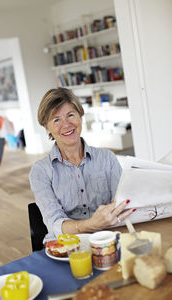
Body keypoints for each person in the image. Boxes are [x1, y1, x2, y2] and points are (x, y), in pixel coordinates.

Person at [29, 87, 135, 242]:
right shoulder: (40, 172)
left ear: (80, 116)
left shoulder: (107, 158)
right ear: (47, 127)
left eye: (70, 115)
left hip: (108, 239)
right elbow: (55, 224)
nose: (66, 125)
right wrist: (90, 225)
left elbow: (120, 206)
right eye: (56, 120)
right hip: (66, 245)